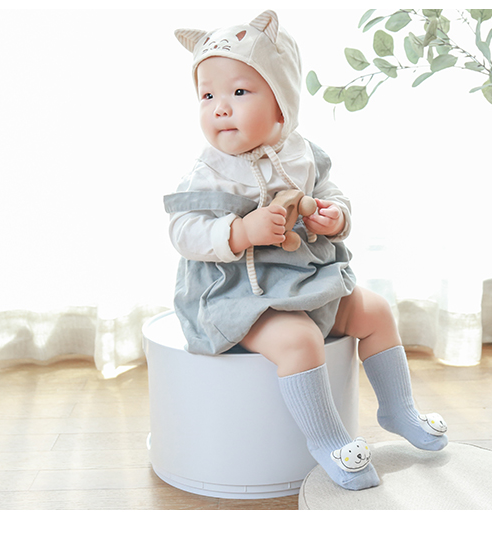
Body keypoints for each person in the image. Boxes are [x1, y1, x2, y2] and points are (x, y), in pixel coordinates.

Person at [165, 10, 447, 491]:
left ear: (282, 101)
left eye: (239, 92)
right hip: (240, 295)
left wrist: (334, 216)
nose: (220, 108)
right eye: (207, 96)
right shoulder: (209, 172)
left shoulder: (301, 153)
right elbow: (183, 231)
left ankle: (399, 409)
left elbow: (331, 193)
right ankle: (328, 439)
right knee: (299, 340)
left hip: (306, 278)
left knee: (375, 310)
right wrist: (241, 231)